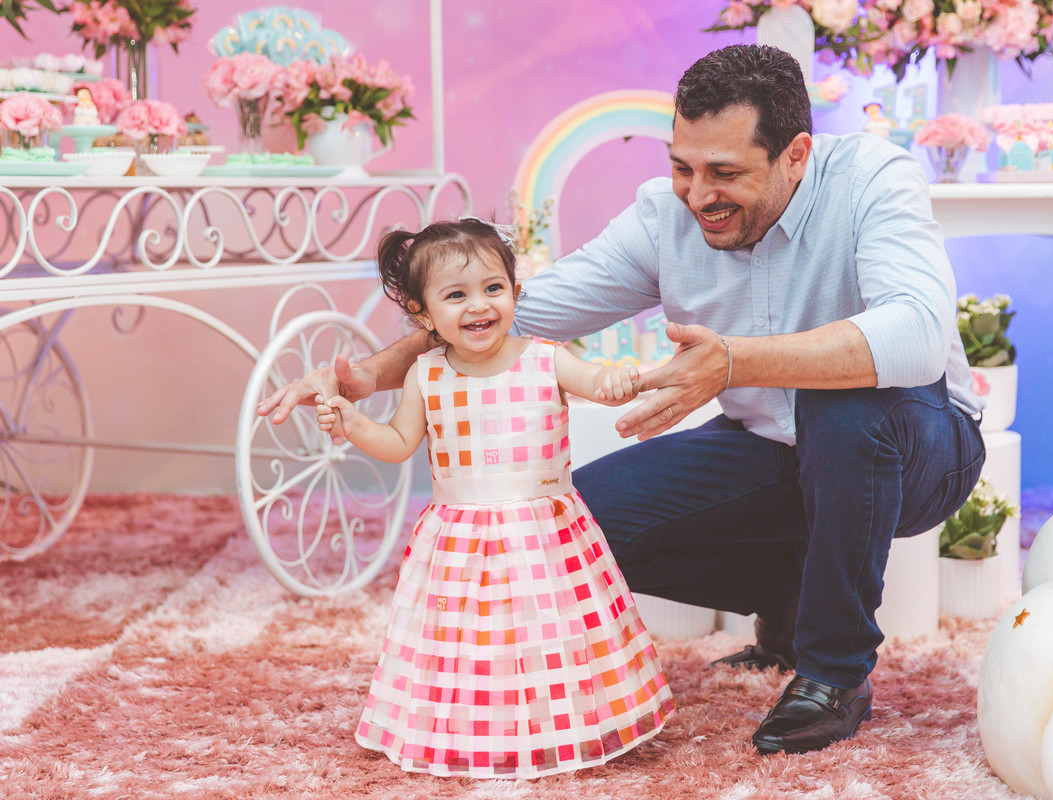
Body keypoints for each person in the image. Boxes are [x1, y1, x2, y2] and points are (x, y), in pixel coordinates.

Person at [260, 44, 985, 757]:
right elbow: (516, 315)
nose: (698, 196)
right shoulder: (664, 219)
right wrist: (368, 375)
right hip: (771, 451)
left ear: (795, 155)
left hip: (916, 447)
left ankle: (834, 672)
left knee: (843, 405)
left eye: (725, 173)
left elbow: (918, 335)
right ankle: (793, 598)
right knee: (575, 531)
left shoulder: (871, 179)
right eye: (682, 167)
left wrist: (735, 361)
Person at [319, 218, 674, 779]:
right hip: (460, 536)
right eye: (456, 295)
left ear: (514, 291)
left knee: (550, 629)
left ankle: (560, 722)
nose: (479, 305)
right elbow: (398, 443)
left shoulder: (545, 358)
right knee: (471, 638)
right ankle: (475, 728)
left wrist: (615, 382)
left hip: (545, 533)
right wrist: (354, 423)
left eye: (493, 288)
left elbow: (594, 382)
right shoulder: (425, 374)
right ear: (422, 313)